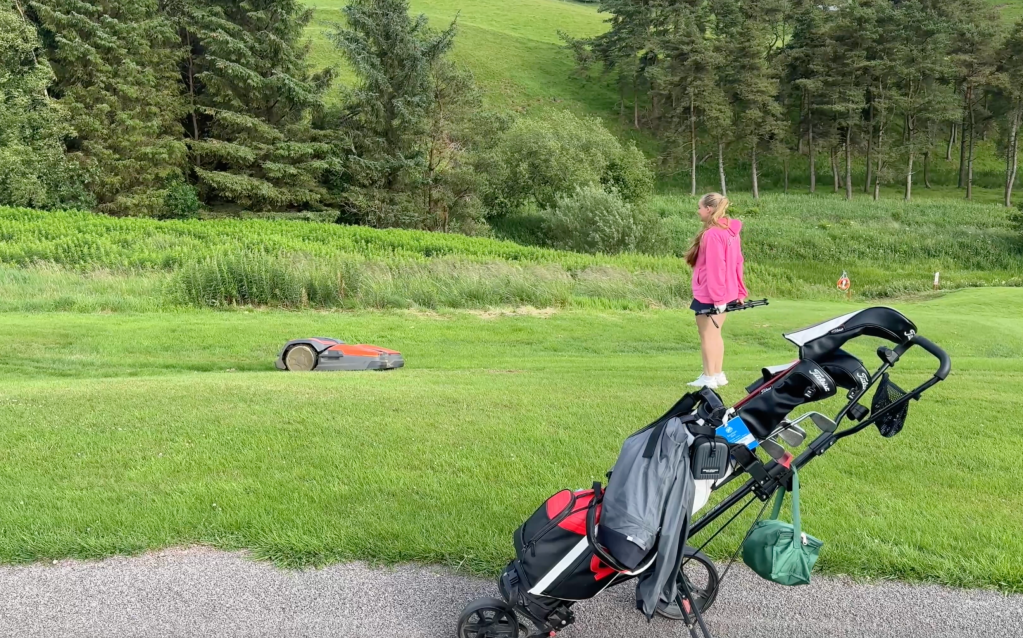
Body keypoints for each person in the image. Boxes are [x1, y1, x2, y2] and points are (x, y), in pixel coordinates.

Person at [685, 192, 747, 390]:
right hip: (726, 292)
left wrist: (718, 299)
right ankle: (717, 374)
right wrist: (739, 291)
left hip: (712, 294)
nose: (698, 211)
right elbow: (738, 262)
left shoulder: (713, 234)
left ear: (709, 209)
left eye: (700, 207)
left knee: (707, 335)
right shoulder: (730, 231)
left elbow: (716, 268)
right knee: (715, 334)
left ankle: (708, 377)